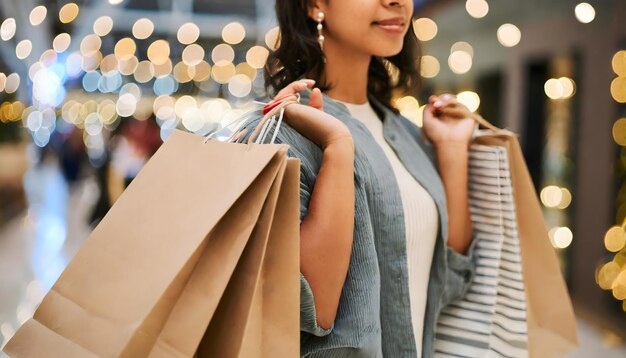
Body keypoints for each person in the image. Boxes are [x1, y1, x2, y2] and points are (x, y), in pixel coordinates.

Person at [237, 0, 479, 356]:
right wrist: (337, 147)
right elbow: (308, 311)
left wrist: (453, 151)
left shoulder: (408, 135)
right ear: (315, 5)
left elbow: (449, 280)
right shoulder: (282, 130)